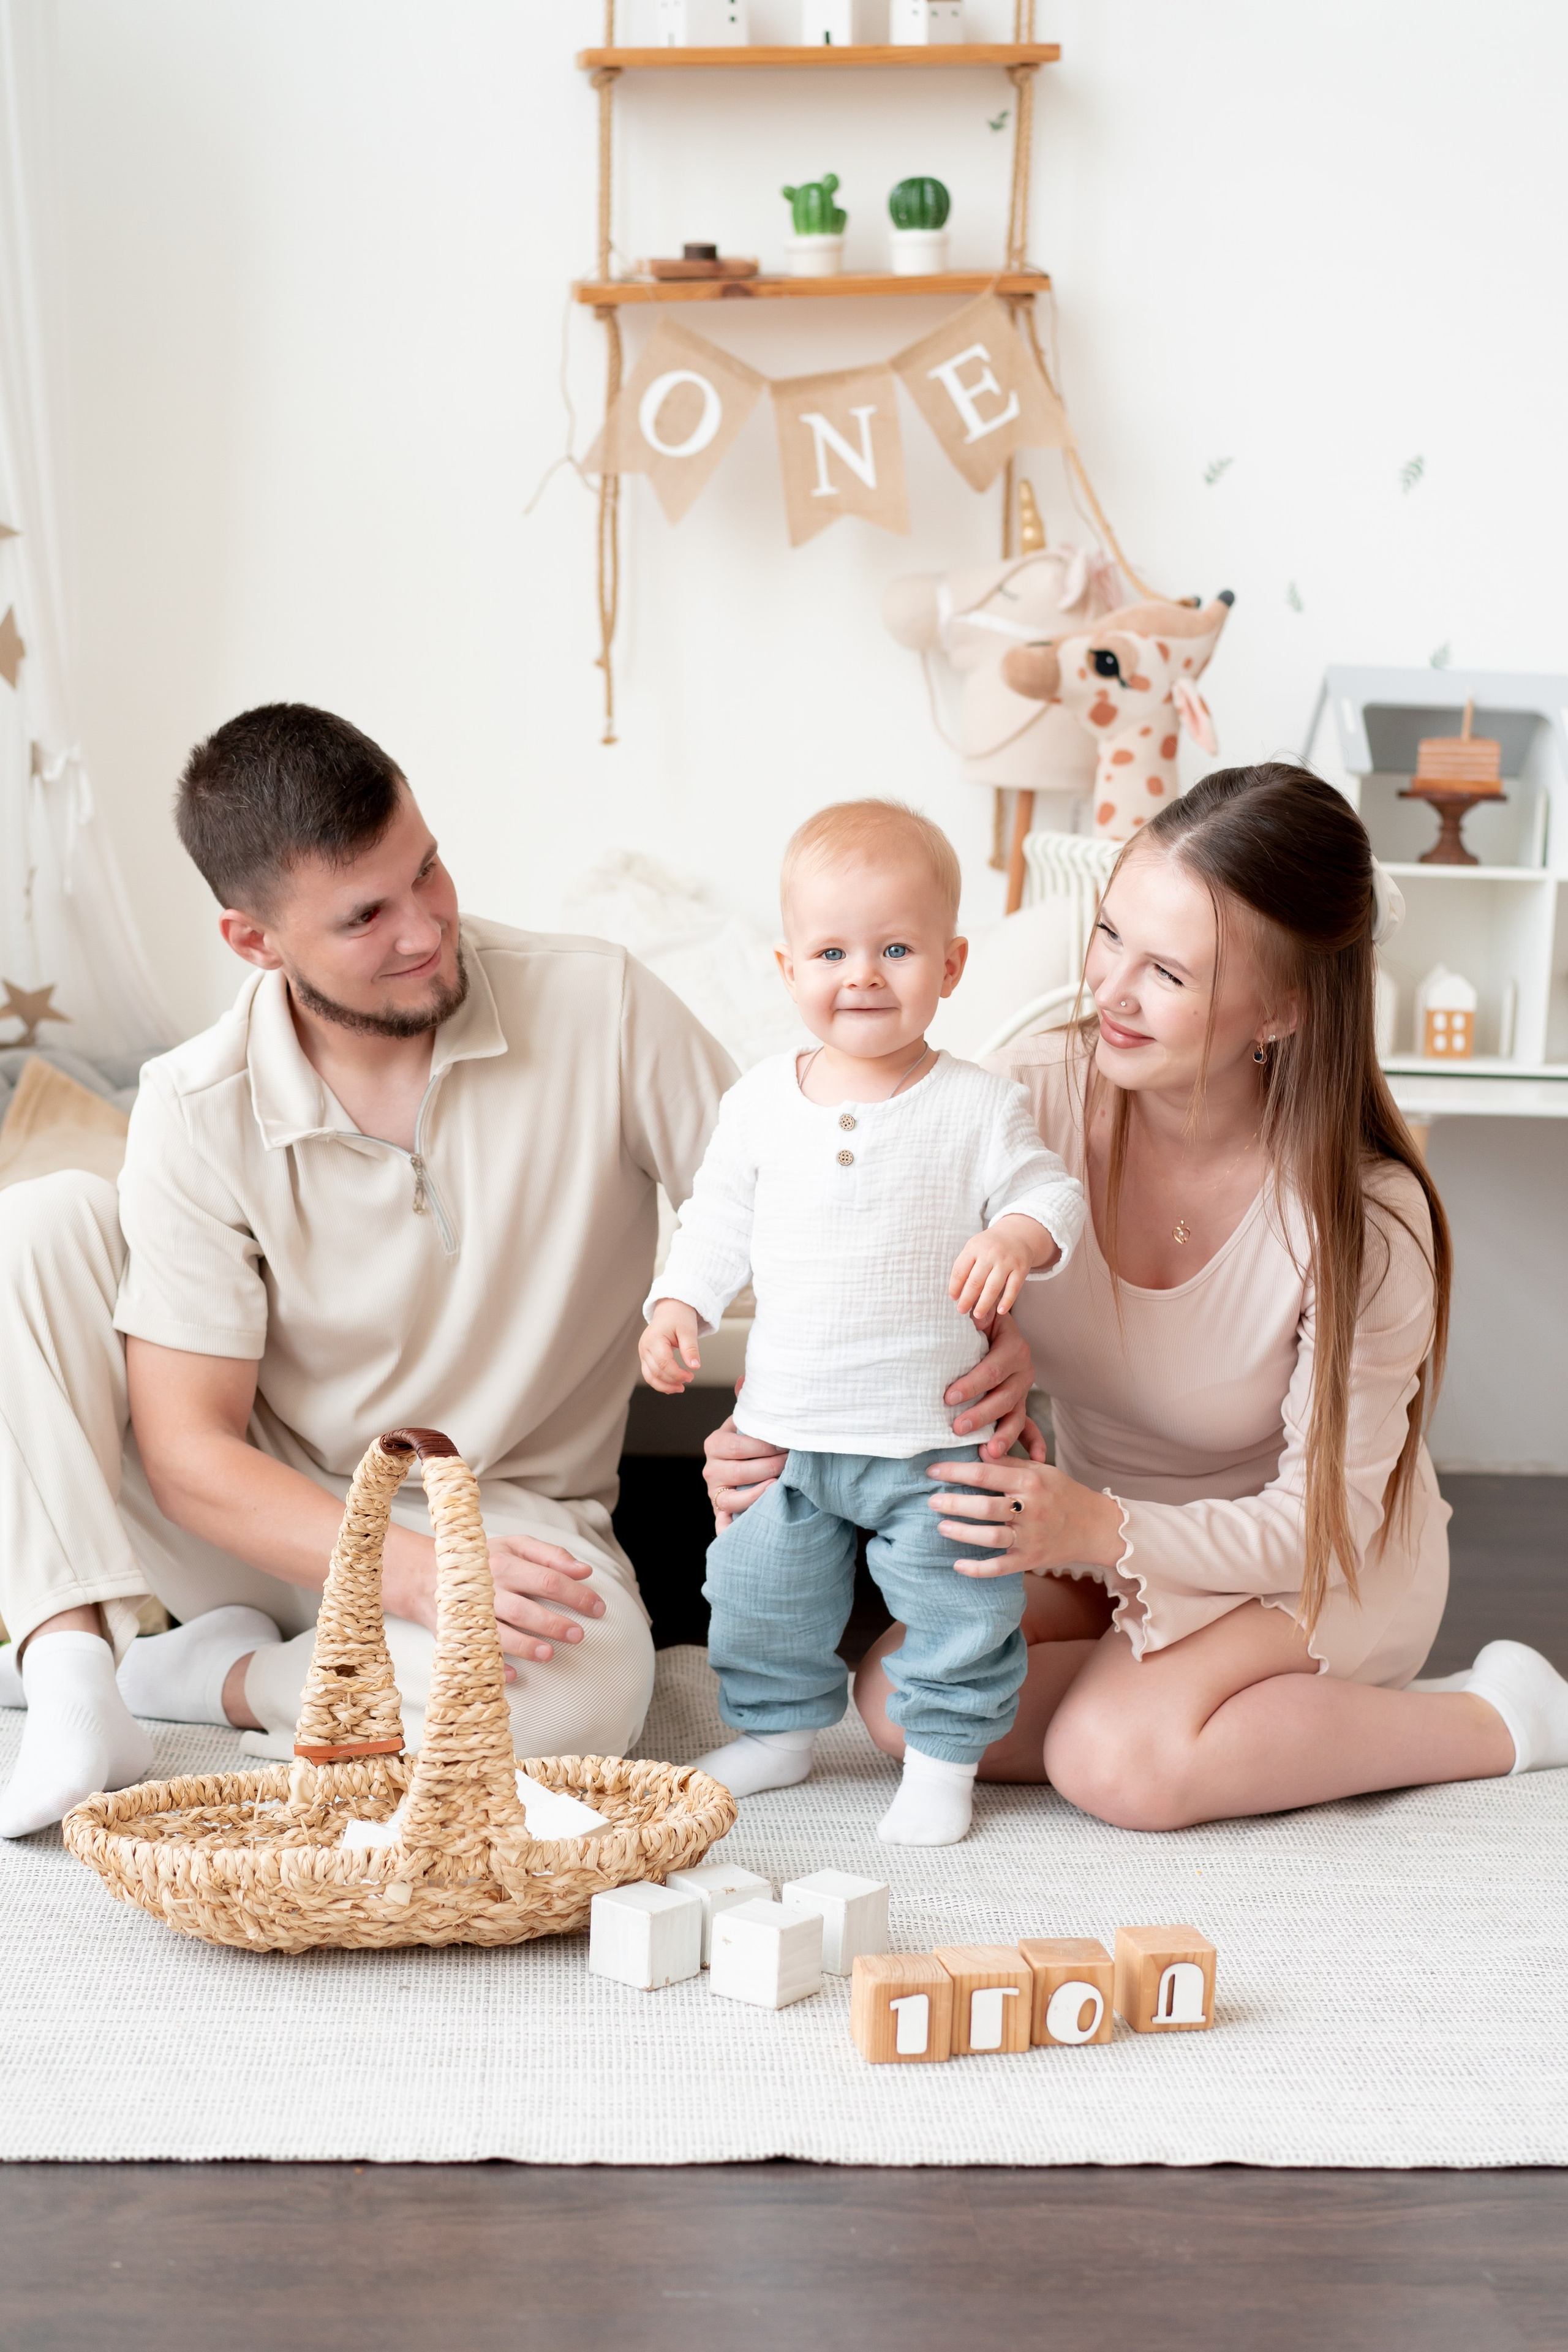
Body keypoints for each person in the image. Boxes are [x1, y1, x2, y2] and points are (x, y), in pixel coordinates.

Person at [706, 764, 1568, 1822]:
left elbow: (1317, 1525)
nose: (1109, 990)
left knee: (1118, 1766)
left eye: (1169, 970)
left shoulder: (1363, 1219)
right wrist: (779, 1427)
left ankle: (1497, 1718)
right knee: (900, 1703)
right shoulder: (1023, 1095)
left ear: (1283, 1008)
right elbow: (878, 1297)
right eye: (1110, 934)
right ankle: (1157, 1699)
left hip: (1305, 1567)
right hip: (1095, 1536)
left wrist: (1099, 1530)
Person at [641, 802, 1084, 1846]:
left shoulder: (976, 1105)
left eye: (896, 948)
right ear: (789, 967)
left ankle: (941, 1760)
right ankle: (776, 1733)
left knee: (958, 1604)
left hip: (932, 1438)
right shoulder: (758, 1104)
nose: (864, 975)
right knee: (757, 1596)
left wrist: (1015, 1241)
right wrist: (677, 1305)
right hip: (786, 1434)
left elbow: (1054, 1197)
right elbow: (716, 1221)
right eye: (833, 951)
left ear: (952, 963)